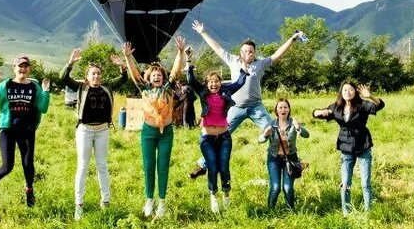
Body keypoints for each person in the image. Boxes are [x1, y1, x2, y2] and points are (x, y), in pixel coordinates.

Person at [188, 20, 304, 178]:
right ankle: (203, 164)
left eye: (250, 51)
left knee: (275, 131)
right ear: (240, 52)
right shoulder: (232, 60)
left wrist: (293, 38)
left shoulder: (260, 64)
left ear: (254, 53)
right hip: (235, 107)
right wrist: (203, 32)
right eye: (244, 51)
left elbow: (278, 54)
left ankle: (291, 161)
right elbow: (217, 48)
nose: (247, 53)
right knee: (219, 136)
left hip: (256, 107)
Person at [120, 37, 187, 218]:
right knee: (149, 166)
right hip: (148, 132)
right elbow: (134, 74)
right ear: (149, 77)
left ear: (163, 77)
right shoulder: (145, 88)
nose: (157, 76)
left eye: (160, 74)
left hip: (166, 132)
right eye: (154, 74)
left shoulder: (168, 87)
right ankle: (149, 199)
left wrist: (180, 53)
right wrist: (127, 58)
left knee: (163, 166)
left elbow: (176, 70)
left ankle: (162, 202)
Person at [59, 48, 127, 220]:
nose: (96, 76)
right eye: (92, 74)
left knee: (102, 166)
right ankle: (79, 204)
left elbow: (124, 79)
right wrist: (70, 62)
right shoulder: (81, 87)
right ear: (87, 76)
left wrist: (122, 66)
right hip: (85, 130)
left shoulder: (107, 87)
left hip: (103, 130)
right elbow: (63, 78)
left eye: (98, 74)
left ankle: (105, 202)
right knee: (82, 166)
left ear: (101, 76)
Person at [0, 55, 51, 207]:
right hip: (7, 129)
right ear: (14, 68)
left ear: (29, 69)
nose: (23, 68)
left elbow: (43, 108)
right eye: (20, 66)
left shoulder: (34, 87)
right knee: (7, 166)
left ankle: (29, 191)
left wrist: (45, 92)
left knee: (28, 164)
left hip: (27, 129)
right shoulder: (6, 85)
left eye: (26, 66)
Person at [312, 82, 384, 217]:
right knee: (345, 182)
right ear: (341, 92)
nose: (348, 92)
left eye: (350, 89)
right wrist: (318, 112)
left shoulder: (363, 105)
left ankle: (369, 212)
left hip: (363, 145)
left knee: (365, 182)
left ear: (355, 92)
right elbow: (317, 113)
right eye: (345, 90)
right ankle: (346, 211)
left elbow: (379, 105)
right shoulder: (337, 107)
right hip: (346, 146)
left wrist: (371, 96)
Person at [186, 61, 248, 213]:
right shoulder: (202, 92)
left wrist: (244, 70)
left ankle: (226, 194)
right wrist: (189, 62)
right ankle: (213, 195)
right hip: (207, 138)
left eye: (217, 81)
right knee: (212, 167)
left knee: (224, 167)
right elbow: (191, 80)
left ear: (220, 83)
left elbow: (239, 83)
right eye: (211, 82)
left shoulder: (226, 91)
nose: (214, 84)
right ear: (206, 84)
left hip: (224, 137)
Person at [262, 97, 309, 211]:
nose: (283, 109)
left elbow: (306, 135)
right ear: (276, 110)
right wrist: (265, 134)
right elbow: (260, 140)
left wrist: (299, 128)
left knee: (288, 188)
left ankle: (290, 211)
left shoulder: (293, 122)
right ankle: (270, 211)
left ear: (289, 109)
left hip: (291, 159)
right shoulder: (271, 123)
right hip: (274, 159)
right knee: (276, 187)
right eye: (280, 107)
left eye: (285, 107)